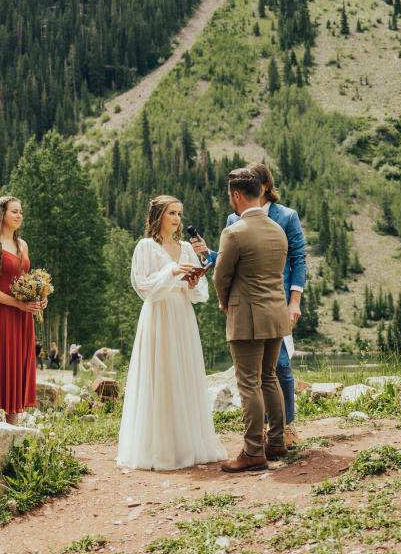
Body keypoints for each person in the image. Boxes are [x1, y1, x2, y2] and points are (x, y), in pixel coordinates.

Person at [191, 162, 307, 446]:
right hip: (268, 305)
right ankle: (275, 438)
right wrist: (208, 254)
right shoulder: (237, 222)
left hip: (265, 306)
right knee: (268, 375)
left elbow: (299, 260)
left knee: (269, 374)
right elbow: (234, 260)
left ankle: (263, 442)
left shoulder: (286, 218)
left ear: (263, 185)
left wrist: (294, 301)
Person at [116, 195, 226, 470]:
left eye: (179, 213)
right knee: (162, 373)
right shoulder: (145, 247)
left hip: (182, 315)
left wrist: (191, 280)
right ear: (158, 216)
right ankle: (161, 447)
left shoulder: (187, 248)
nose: (177, 219)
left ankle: (187, 443)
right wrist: (172, 272)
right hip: (159, 315)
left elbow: (198, 294)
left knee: (184, 373)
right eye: (171, 213)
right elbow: (143, 287)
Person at [214, 169, 291, 473]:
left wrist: (223, 301)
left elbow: (222, 276)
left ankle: (253, 450)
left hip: (246, 314)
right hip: (275, 313)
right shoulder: (277, 229)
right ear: (260, 191)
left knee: (248, 383)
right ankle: (276, 441)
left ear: (236, 195)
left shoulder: (235, 232)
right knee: (269, 378)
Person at [0, 196, 47, 425]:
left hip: (22, 315)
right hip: (2, 313)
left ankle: (13, 428)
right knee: (2, 367)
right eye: (14, 211)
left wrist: (39, 296)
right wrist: (16, 303)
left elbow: (24, 280)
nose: (19, 215)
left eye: (21, 212)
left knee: (17, 368)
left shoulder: (22, 245)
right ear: (2, 214)